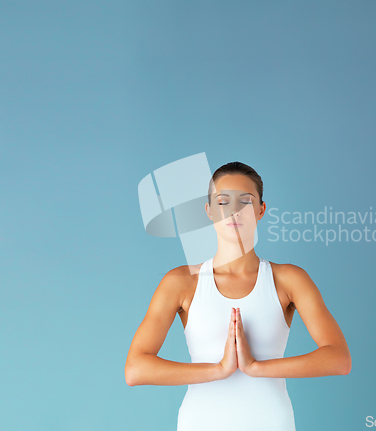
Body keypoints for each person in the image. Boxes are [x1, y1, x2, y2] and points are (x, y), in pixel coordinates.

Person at [125, 161, 352, 431]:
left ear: (261, 210)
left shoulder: (289, 279)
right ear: (208, 211)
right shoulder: (181, 282)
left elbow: (339, 358)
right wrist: (219, 369)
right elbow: (135, 369)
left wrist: (256, 367)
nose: (234, 212)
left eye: (245, 201)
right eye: (223, 202)